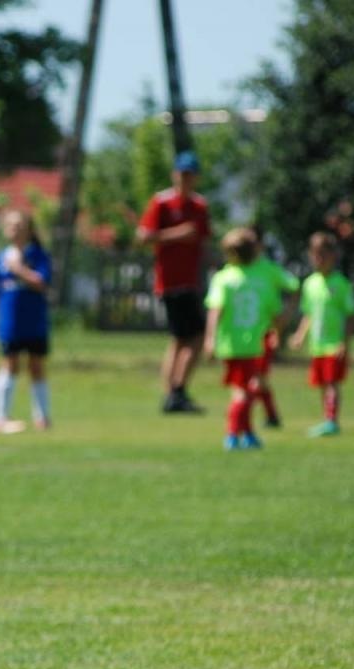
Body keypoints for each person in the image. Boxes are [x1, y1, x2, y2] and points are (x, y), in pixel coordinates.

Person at [137, 150, 212, 414]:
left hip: (190, 280)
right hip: (169, 281)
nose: (186, 179)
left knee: (181, 339)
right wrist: (178, 234)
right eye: (182, 174)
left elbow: (202, 238)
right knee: (193, 336)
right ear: (174, 175)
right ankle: (175, 391)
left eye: (190, 174)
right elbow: (144, 236)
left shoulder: (200, 206)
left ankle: (174, 393)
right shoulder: (162, 203)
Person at [203, 227, 281, 451]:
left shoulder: (223, 279)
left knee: (242, 390)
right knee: (244, 391)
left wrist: (210, 338)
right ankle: (232, 434)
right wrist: (276, 332)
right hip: (254, 344)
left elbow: (215, 311)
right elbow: (273, 311)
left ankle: (246, 434)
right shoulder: (261, 279)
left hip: (231, 344)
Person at [0, 210, 54, 433]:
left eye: (20, 225)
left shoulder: (38, 255)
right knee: (9, 365)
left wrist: (19, 270)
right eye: (11, 226)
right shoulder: (1, 258)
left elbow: (41, 282)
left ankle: (42, 417)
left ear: (29, 230)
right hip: (10, 322)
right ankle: (0, 418)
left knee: (36, 367)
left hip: (34, 320)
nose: (15, 230)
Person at [288, 231, 354, 437]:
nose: (318, 260)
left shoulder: (341, 284)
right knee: (321, 383)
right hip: (316, 345)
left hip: (333, 343)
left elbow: (351, 315)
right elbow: (308, 314)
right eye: (315, 255)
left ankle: (332, 420)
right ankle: (326, 419)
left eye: (323, 255)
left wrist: (344, 343)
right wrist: (300, 335)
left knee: (331, 383)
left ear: (333, 255)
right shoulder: (310, 283)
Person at [245, 230, 300, 430]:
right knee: (254, 379)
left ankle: (243, 420)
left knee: (255, 378)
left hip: (263, 334)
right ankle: (271, 415)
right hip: (239, 337)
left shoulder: (269, 269)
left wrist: (284, 318)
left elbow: (294, 288)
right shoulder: (235, 270)